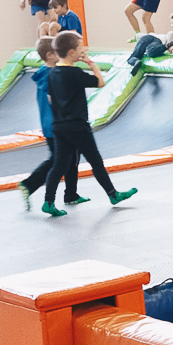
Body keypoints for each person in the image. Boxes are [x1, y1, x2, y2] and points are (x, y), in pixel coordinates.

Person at [40, 32, 136, 216]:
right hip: (77, 126)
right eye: (80, 48)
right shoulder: (74, 73)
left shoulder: (52, 73)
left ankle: (48, 201)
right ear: (71, 52)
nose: (82, 51)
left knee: (59, 164)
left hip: (59, 126)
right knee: (96, 161)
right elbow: (100, 82)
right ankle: (113, 194)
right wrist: (91, 64)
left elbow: (51, 97)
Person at [16, 38, 73, 211]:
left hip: (49, 124)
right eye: (57, 51)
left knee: (64, 158)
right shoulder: (52, 76)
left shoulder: (43, 72)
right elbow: (56, 100)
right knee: (58, 160)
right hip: (57, 125)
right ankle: (30, 185)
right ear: (50, 55)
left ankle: (70, 194)